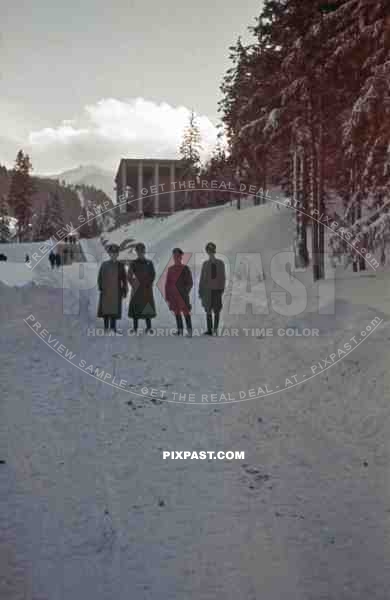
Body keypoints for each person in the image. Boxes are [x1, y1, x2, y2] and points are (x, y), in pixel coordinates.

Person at [97, 244, 127, 332]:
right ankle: (106, 328)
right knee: (106, 310)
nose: (113, 254)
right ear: (109, 254)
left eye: (115, 253)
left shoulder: (120, 266)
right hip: (106, 291)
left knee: (114, 310)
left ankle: (113, 328)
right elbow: (100, 278)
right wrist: (101, 287)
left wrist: (124, 290)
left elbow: (124, 279)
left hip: (116, 292)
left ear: (118, 254)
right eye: (112, 253)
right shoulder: (104, 265)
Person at [128, 242, 156, 333]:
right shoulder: (133, 263)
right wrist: (134, 283)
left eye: (142, 251)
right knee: (135, 308)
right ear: (136, 252)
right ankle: (135, 328)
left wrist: (149, 283)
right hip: (137, 289)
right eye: (138, 251)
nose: (140, 253)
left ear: (144, 252)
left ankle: (149, 327)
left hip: (147, 289)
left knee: (147, 308)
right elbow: (129, 275)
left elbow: (153, 274)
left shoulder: (149, 263)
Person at [199, 242, 226, 336]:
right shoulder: (205, 264)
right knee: (208, 310)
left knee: (217, 310)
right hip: (207, 291)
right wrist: (200, 291)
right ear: (207, 252)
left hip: (217, 290)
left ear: (214, 251)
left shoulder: (220, 263)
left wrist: (221, 289)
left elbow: (223, 277)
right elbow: (202, 278)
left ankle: (215, 329)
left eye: (212, 251)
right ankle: (209, 330)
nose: (210, 253)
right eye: (209, 251)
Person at [165, 248, 193, 336]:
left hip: (183, 295)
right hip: (173, 295)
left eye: (178, 256)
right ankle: (179, 330)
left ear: (181, 257)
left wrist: (185, 292)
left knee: (186, 312)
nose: (176, 257)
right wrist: (168, 296)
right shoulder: (170, 269)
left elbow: (190, 282)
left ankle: (189, 331)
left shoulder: (185, 268)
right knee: (176, 312)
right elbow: (167, 283)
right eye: (174, 256)